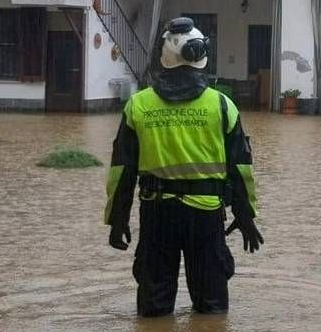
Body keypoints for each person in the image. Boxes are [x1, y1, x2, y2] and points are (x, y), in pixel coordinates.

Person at [104, 17, 264, 317]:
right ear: (201, 56)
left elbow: (121, 171)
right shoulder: (221, 105)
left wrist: (117, 218)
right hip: (205, 215)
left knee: (153, 307)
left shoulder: (137, 106)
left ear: (163, 58)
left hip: (156, 215)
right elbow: (241, 170)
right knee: (212, 309)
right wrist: (245, 216)